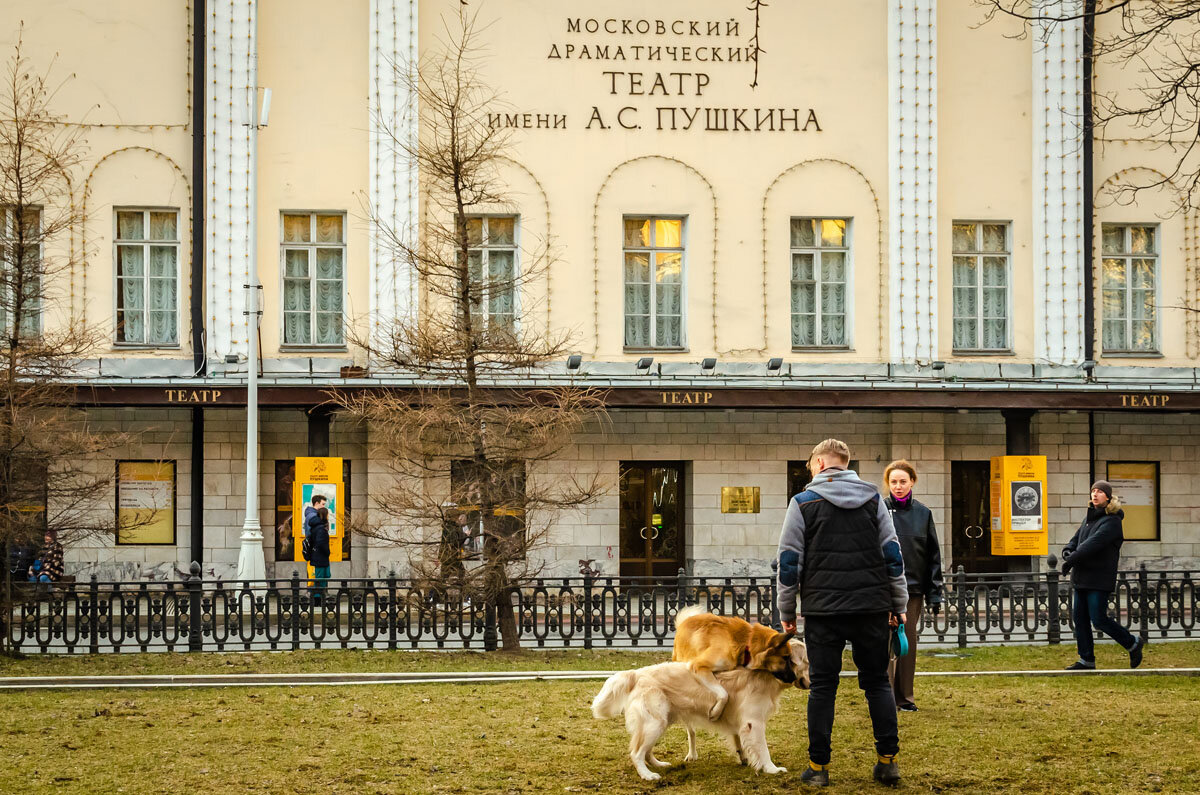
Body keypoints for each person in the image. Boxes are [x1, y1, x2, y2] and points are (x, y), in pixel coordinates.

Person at [777, 439, 909, 788]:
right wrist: (899, 604)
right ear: (845, 464)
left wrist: (787, 610)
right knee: (878, 682)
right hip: (871, 607)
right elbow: (893, 555)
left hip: (823, 610)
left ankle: (818, 767)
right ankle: (887, 762)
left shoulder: (802, 503)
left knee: (823, 686)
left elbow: (789, 562)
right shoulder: (874, 501)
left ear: (820, 464)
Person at [1062, 480, 1146, 670]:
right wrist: (1067, 552)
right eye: (1093, 491)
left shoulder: (1112, 521)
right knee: (1080, 619)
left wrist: (1072, 559)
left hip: (1098, 580)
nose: (1095, 494)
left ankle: (1132, 643)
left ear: (1108, 497)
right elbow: (1075, 541)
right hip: (1082, 577)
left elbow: (1093, 544)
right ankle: (1086, 660)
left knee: (1098, 619)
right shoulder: (1089, 519)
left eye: (1100, 491)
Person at [883, 460, 944, 712]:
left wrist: (935, 593)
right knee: (885, 643)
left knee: (906, 641)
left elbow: (933, 556)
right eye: (893, 482)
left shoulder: (923, 513)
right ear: (888, 484)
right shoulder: (878, 509)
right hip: (883, 588)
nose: (898, 486)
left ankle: (905, 697)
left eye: (903, 481)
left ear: (912, 482)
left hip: (913, 590)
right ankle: (884, 698)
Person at [307, 506, 331, 603]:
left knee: (324, 576)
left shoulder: (318, 526)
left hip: (320, 556)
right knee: (320, 578)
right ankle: (318, 599)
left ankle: (320, 596)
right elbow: (321, 542)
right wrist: (327, 551)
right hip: (320, 557)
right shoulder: (320, 528)